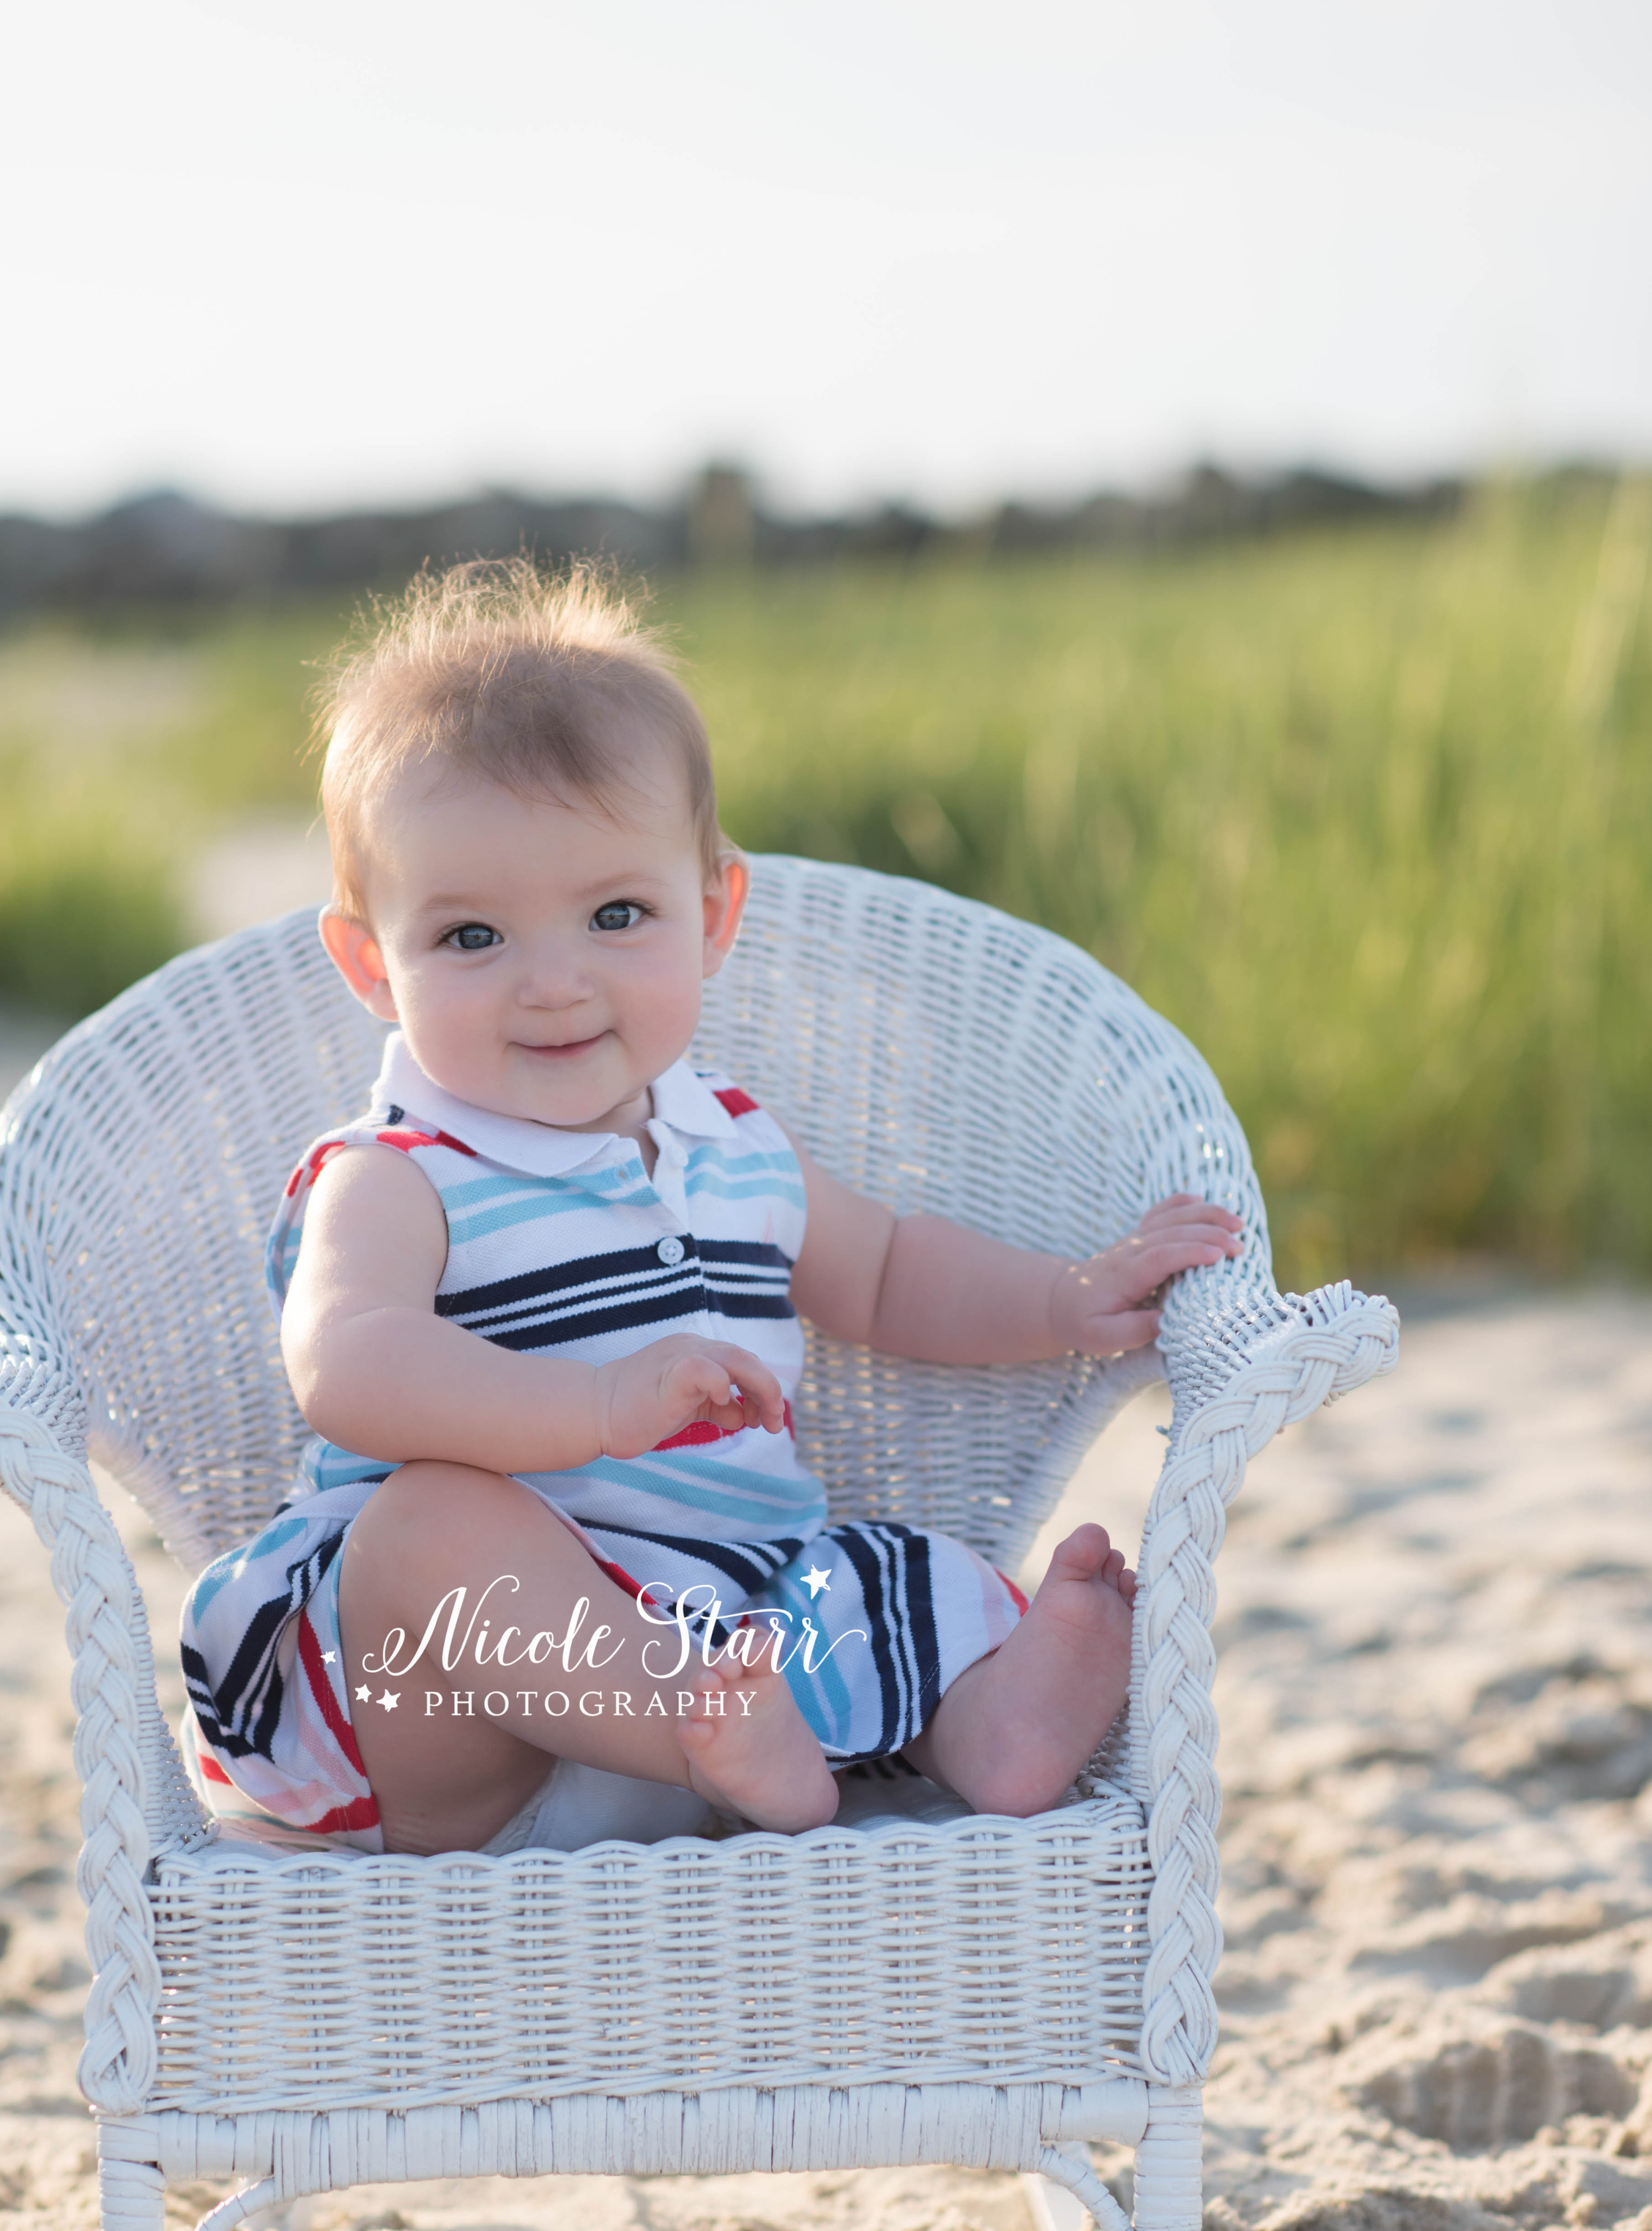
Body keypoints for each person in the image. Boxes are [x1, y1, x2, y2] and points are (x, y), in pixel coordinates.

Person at [179, 560, 1242, 1858]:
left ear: (713, 915)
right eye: (472, 938)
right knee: (423, 1531)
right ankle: (709, 1734)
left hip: (742, 1637)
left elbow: (893, 1273)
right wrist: (596, 1410)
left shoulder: (736, 1143)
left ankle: (992, 1729)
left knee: (896, 1578)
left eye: (616, 914)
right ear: (370, 965)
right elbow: (345, 1365)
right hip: (474, 1722)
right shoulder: (398, 1170)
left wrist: (1065, 1301)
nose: (554, 982)